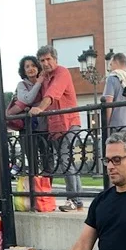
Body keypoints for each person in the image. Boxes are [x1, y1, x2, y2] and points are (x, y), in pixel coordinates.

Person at [30, 45, 83, 212]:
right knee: (66, 161)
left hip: (68, 122)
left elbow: (52, 94)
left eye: (48, 59)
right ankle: (78, 200)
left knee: (66, 160)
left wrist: (40, 108)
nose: (45, 63)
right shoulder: (45, 78)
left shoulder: (62, 72)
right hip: (55, 125)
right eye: (42, 60)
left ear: (55, 59)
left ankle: (73, 199)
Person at [102, 53, 126, 131]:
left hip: (117, 125)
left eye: (111, 64)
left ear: (116, 63)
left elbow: (108, 103)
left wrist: (106, 124)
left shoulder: (112, 79)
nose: (110, 68)